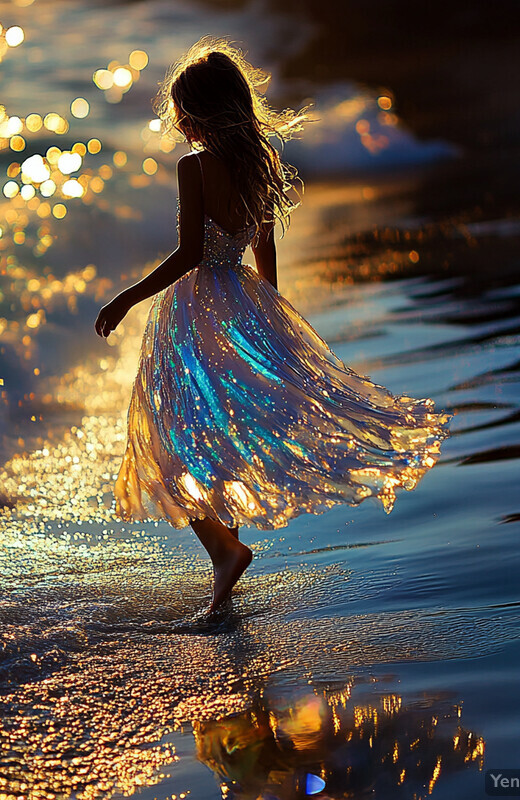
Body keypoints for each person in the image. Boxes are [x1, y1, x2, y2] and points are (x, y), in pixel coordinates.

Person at [94, 37, 453, 614]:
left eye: (182, 109)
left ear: (201, 113)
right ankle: (223, 572)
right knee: (226, 428)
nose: (178, 120)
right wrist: (271, 317)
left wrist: (126, 300)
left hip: (197, 309)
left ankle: (223, 553)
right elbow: (263, 246)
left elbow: (188, 253)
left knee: (174, 438)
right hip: (244, 301)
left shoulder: (195, 167)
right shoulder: (256, 165)